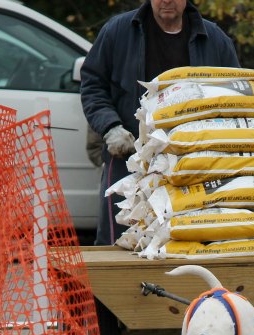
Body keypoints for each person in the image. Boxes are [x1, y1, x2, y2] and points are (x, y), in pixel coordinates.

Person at [80, 0, 239, 246]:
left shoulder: (214, 39)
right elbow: (92, 84)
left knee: (186, 240)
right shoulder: (118, 32)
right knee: (120, 241)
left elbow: (234, 97)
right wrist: (110, 126)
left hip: (193, 163)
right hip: (130, 156)